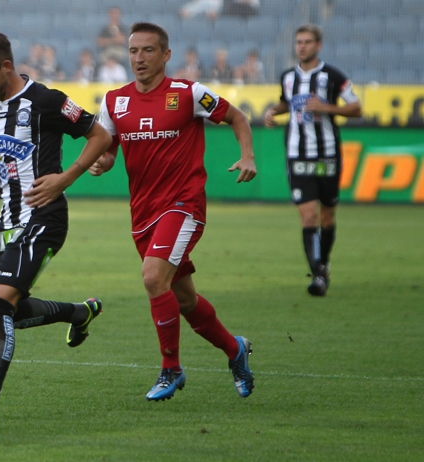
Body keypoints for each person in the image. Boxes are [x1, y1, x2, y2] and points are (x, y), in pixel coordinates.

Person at [0, 30, 112, 434]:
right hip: (6, 223)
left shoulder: (47, 101)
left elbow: (100, 136)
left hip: (44, 217)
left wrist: (64, 179)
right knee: (2, 313)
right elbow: (5, 173)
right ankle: (79, 312)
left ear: (6, 66)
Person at [93, 22, 257, 401]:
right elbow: (107, 146)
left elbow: (238, 117)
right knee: (182, 299)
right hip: (143, 213)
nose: (139, 58)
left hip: (183, 205)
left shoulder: (188, 94)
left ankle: (171, 369)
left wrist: (247, 155)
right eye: (133, 51)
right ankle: (235, 350)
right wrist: (104, 160)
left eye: (148, 51)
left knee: (153, 278)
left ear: (166, 55)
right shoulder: (114, 100)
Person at [264, 24, 362, 296]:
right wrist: (274, 111)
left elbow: (357, 107)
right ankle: (318, 275)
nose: (302, 46)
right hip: (297, 154)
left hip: (327, 154)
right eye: (298, 42)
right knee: (308, 217)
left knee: (327, 216)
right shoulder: (287, 77)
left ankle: (324, 262)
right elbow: (288, 102)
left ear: (318, 45)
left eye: (307, 42)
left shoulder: (332, 76)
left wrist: (327, 107)